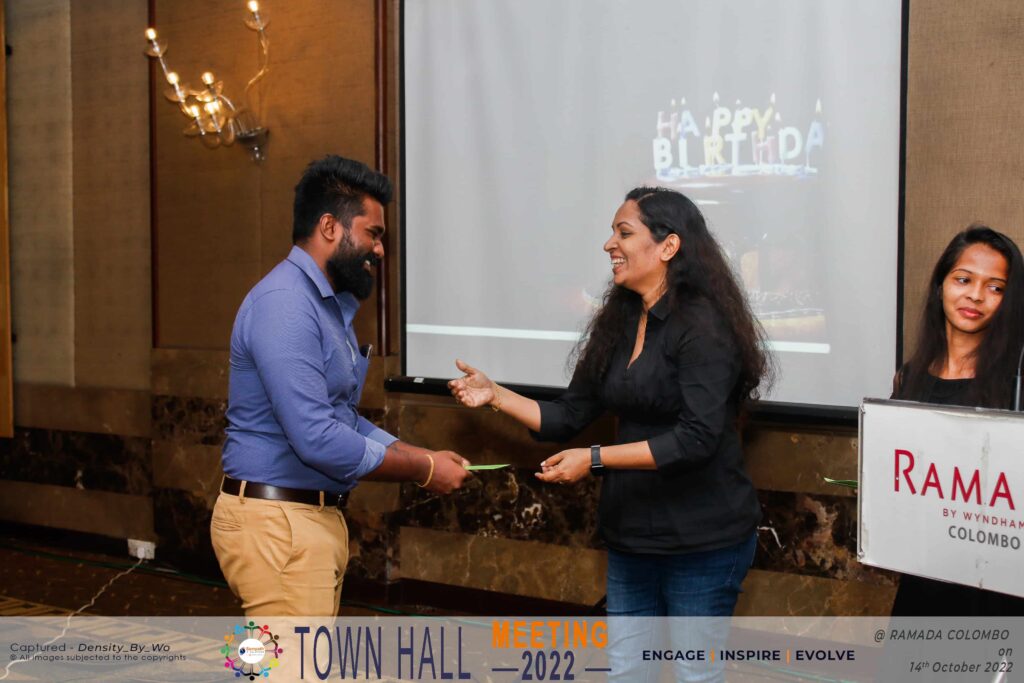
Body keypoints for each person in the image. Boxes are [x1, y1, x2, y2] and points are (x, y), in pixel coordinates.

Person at [450, 186, 772, 615]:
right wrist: (496, 394)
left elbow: (696, 439)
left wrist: (595, 458)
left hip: (702, 540)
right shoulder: (620, 320)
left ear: (668, 246)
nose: (609, 245)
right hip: (631, 535)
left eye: (624, 233)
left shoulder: (703, 326)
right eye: (612, 233)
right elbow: (568, 415)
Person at [211, 155, 472, 618]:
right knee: (293, 659)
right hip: (278, 524)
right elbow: (317, 437)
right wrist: (422, 469)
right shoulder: (286, 303)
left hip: (298, 520)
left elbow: (340, 418)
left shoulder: (325, 305)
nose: (380, 250)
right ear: (330, 227)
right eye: (373, 233)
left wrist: (423, 456)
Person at [890, 224, 1024, 616]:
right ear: (940, 286)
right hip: (925, 577)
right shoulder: (909, 376)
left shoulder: (1017, 382)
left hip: (997, 588)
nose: (976, 295)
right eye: (963, 279)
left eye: (995, 287)